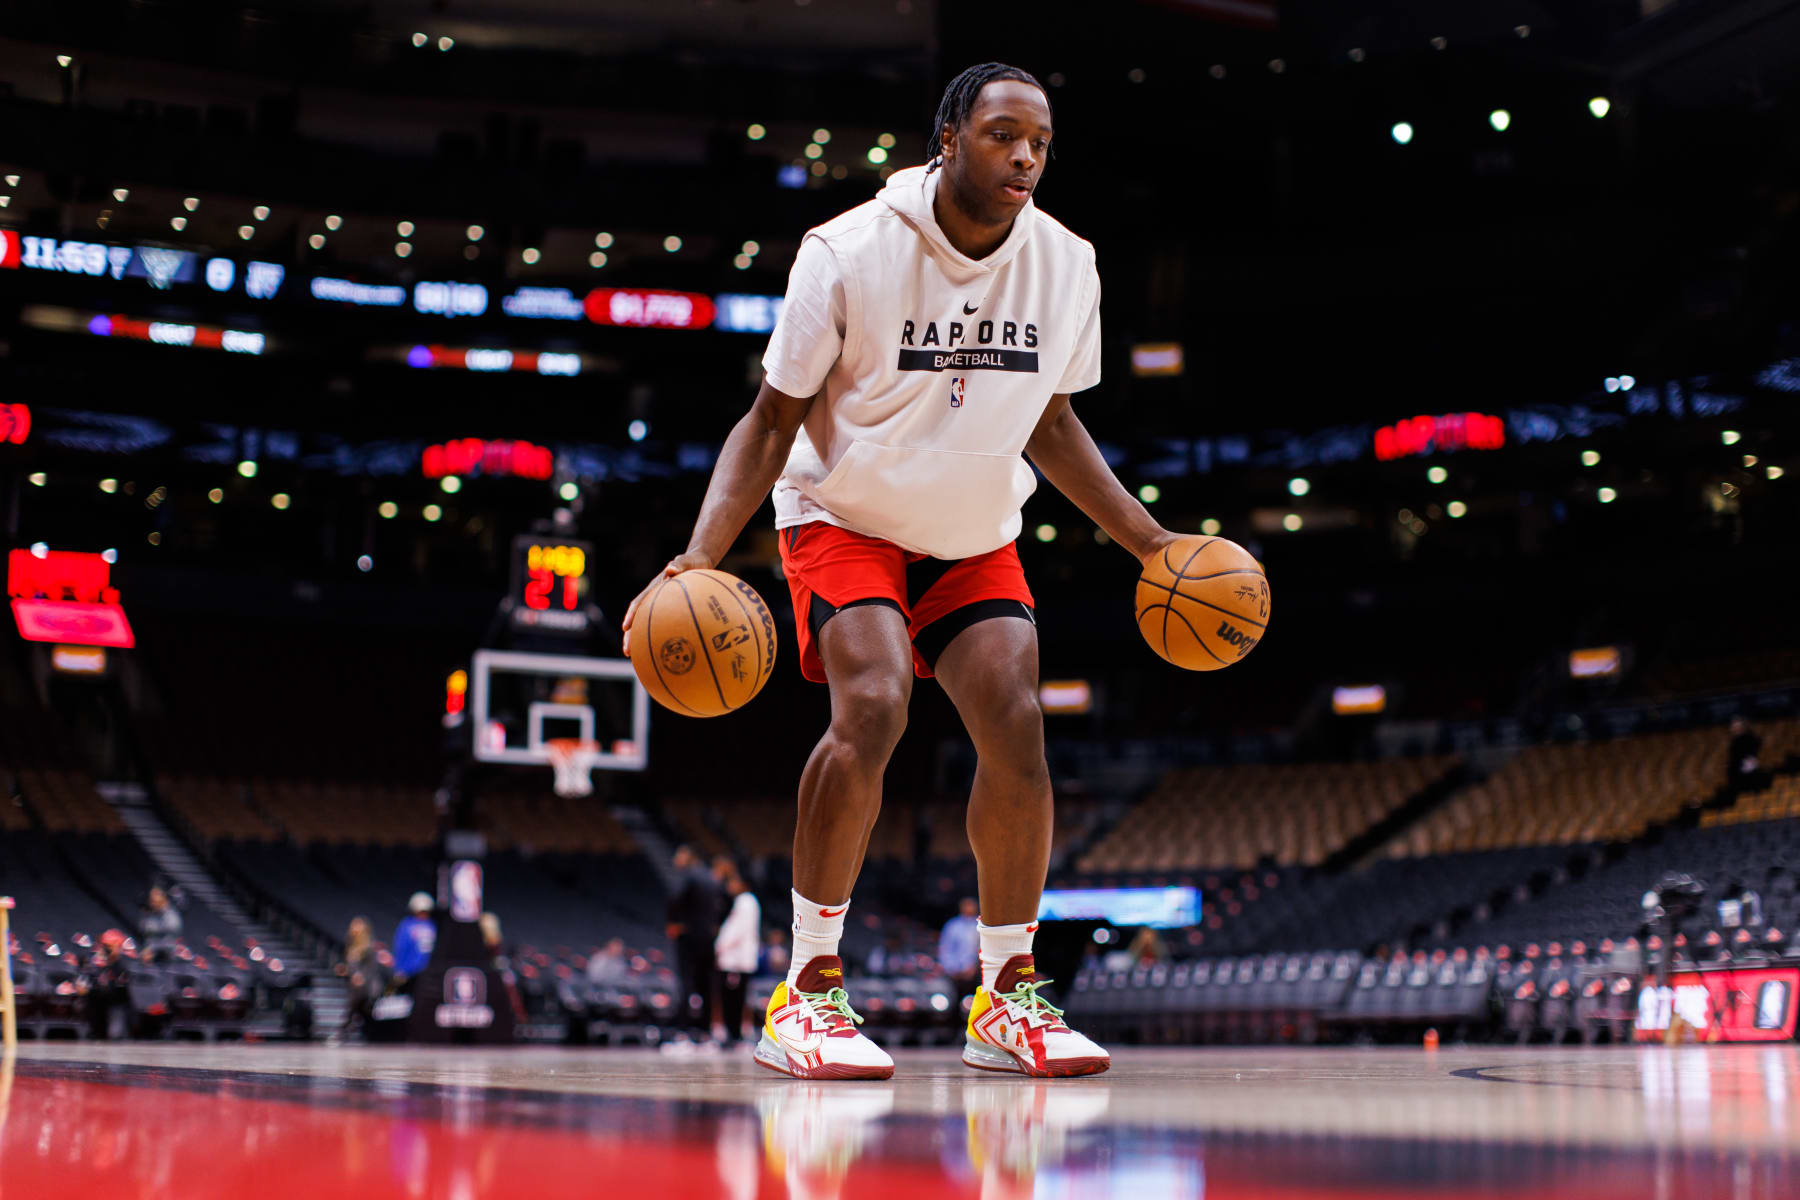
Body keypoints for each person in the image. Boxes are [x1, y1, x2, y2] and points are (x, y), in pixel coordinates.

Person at [623, 62, 1168, 1080]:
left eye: (1042, 142)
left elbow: (1051, 421)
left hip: (971, 523)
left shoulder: (1068, 265)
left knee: (1015, 721)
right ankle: (809, 992)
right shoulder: (846, 252)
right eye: (1005, 134)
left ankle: (1008, 995)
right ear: (948, 138)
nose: (1026, 157)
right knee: (872, 703)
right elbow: (771, 418)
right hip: (846, 509)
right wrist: (696, 557)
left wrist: (1153, 545)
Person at [665, 845, 722, 1041]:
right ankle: (705, 1032)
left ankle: (683, 1031)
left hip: (688, 935)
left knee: (685, 982)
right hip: (708, 937)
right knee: (705, 983)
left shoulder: (687, 876)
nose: (675, 859)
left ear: (687, 857)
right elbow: (722, 906)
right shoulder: (711, 878)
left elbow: (674, 898)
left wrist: (674, 923)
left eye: (678, 855)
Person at [714, 866, 762, 1044]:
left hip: (737, 961)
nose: (730, 885)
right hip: (736, 960)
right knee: (733, 998)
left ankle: (733, 1035)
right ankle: (732, 1033)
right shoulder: (744, 902)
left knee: (734, 999)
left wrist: (721, 946)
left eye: (734, 881)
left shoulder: (746, 902)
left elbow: (738, 931)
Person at [332, 916, 384, 1043]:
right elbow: (351, 967)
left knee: (357, 1010)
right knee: (357, 1011)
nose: (355, 929)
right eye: (354, 926)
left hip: (367, 986)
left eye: (358, 926)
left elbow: (371, 968)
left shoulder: (369, 947)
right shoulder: (351, 945)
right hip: (355, 987)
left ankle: (344, 1033)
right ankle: (346, 1033)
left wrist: (361, 977)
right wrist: (344, 970)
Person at [392, 892, 436, 991]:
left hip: (428, 971)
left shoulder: (432, 925)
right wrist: (400, 969)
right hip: (410, 971)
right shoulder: (407, 925)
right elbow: (401, 947)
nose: (423, 914)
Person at [938, 897, 980, 992]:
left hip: (975, 972)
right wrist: (951, 968)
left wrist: (974, 967)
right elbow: (946, 948)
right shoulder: (953, 926)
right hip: (954, 973)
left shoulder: (980, 925)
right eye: (967, 905)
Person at [138, 886, 182, 963]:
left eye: (155, 899)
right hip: (148, 957)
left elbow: (170, 942)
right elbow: (144, 933)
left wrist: (152, 950)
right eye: (151, 899)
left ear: (163, 899)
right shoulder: (148, 915)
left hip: (165, 958)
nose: (152, 902)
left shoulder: (172, 917)